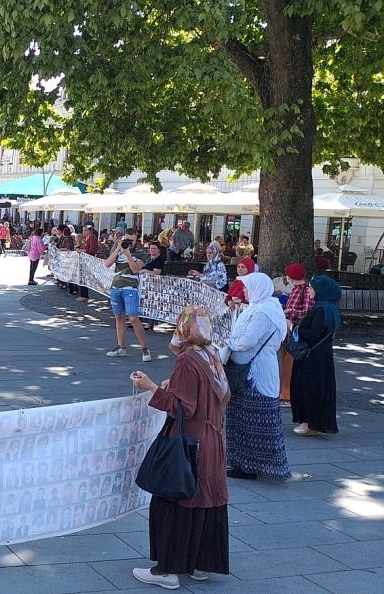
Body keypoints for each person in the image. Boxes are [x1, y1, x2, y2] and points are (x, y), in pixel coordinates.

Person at [129, 306, 230, 589]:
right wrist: (173, 385)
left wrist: (152, 387)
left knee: (174, 498)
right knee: (205, 499)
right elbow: (220, 395)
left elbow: (182, 406)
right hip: (213, 440)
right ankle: (198, 563)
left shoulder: (188, 359)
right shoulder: (211, 354)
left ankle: (166, 570)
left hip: (190, 440)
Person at [225, 273, 290, 480]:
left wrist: (228, 343)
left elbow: (246, 341)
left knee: (254, 421)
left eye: (246, 287)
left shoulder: (264, 312)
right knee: (243, 419)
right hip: (251, 371)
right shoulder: (261, 307)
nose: (243, 291)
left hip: (256, 374)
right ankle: (244, 464)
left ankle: (252, 466)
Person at [291, 275, 342, 435]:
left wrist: (294, 326)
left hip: (313, 355)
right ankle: (311, 422)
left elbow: (313, 334)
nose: (310, 290)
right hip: (321, 353)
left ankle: (308, 422)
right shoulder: (329, 307)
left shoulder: (321, 309)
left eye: (313, 287)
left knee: (308, 387)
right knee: (315, 386)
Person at [104, 228, 151, 362]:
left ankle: (144, 348)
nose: (129, 242)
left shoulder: (141, 252)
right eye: (127, 240)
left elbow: (136, 269)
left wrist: (129, 254)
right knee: (119, 316)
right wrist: (118, 250)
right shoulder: (119, 249)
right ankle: (121, 347)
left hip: (131, 288)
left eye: (131, 240)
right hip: (116, 287)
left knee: (133, 318)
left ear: (136, 240)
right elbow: (107, 264)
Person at [281, 263, 315, 403]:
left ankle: (287, 393)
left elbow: (306, 313)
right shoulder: (295, 289)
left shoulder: (305, 291)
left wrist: (290, 314)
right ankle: (284, 390)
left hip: (296, 332)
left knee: (289, 364)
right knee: (284, 362)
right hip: (288, 332)